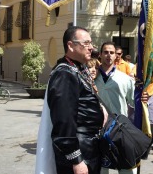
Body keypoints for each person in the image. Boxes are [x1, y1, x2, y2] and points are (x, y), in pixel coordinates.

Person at [35, 26, 106, 174]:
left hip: (89, 146)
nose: (91, 48)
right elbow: (63, 122)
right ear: (71, 45)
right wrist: (76, 160)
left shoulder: (78, 68)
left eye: (91, 43)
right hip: (79, 152)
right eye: (86, 43)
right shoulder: (64, 74)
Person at [94, 42, 137, 174]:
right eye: (105, 52)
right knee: (101, 169)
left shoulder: (125, 79)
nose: (108, 55)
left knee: (127, 169)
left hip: (120, 128)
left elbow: (134, 102)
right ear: (100, 54)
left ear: (116, 56)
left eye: (112, 53)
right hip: (98, 130)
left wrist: (143, 98)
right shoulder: (91, 78)